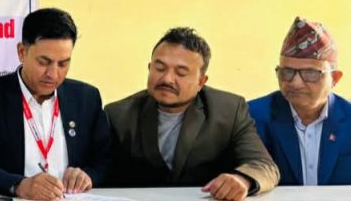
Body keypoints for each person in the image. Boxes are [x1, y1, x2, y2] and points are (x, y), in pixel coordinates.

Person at [0, 8, 111, 200]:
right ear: (22, 52)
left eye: (63, 64)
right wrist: (18, 185)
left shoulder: (86, 99)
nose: (53, 74)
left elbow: (106, 161)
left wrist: (88, 175)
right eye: (44, 62)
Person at [105, 27, 279, 201]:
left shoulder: (229, 111)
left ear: (201, 81)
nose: (167, 79)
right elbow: (102, 171)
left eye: (181, 73)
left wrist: (243, 180)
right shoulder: (118, 115)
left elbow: (264, 166)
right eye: (160, 68)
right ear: (150, 68)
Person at [248, 17, 351, 185]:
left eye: (310, 73)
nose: (295, 83)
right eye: (287, 72)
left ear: (335, 78)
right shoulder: (252, 117)